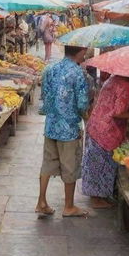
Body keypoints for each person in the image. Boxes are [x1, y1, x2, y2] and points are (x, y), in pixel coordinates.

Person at [37, 45, 90, 217]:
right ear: (80, 52)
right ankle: (68, 207)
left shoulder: (50, 69)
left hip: (51, 125)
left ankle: (41, 202)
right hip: (69, 129)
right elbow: (82, 104)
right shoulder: (78, 73)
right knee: (70, 166)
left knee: (47, 163)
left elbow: (44, 97)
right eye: (85, 51)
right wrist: (86, 117)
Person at [81, 75, 129, 209]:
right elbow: (118, 112)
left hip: (96, 124)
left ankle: (96, 196)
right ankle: (97, 199)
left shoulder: (112, 79)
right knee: (102, 165)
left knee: (94, 163)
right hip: (107, 130)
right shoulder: (126, 86)